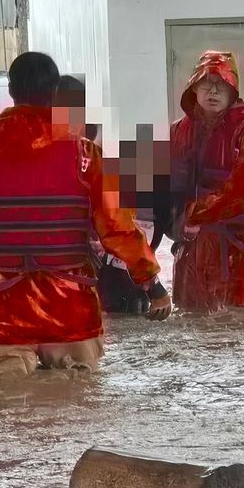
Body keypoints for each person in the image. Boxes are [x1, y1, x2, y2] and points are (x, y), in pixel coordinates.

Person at [0, 52, 171, 377]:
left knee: (5, 411)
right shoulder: (85, 155)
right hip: (70, 313)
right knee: (76, 412)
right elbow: (117, 228)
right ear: (55, 93)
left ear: (11, 90)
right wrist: (152, 284)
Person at [169, 50, 244, 311]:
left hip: (243, 243)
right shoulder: (180, 130)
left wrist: (196, 214)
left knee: (243, 319)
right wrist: (174, 223)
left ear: (233, 90)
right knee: (192, 316)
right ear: (194, 88)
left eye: (221, 84)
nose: (213, 91)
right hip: (193, 246)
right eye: (206, 83)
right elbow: (169, 185)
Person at [54, 74, 168, 316]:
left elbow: (130, 224)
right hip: (82, 270)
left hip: (99, 267)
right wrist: (152, 283)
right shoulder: (90, 156)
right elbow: (120, 226)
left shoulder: (99, 156)